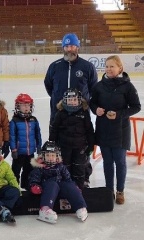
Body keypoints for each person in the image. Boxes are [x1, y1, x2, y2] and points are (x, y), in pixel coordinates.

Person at [44, 32, 98, 186]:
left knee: (82, 148)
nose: (69, 49)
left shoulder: (87, 67)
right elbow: (49, 86)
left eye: (72, 45)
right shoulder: (54, 66)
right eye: (66, 46)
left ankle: (84, 177)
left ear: (77, 47)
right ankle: (61, 176)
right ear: (63, 48)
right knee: (59, 148)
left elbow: (93, 89)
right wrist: (59, 102)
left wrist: (82, 105)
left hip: (81, 117)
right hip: (58, 115)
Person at [89, 55, 141, 205]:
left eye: (112, 66)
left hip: (121, 130)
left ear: (120, 68)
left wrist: (119, 114)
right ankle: (108, 190)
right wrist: (96, 110)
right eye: (106, 66)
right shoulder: (99, 86)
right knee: (107, 162)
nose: (109, 69)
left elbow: (136, 107)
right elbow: (93, 103)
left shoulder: (127, 86)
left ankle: (120, 191)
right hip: (104, 129)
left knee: (120, 162)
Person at [29, 141, 88, 224]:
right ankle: (45, 210)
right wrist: (34, 186)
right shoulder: (40, 168)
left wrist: (74, 187)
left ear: (57, 156)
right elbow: (34, 178)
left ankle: (80, 207)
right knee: (52, 184)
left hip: (59, 188)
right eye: (48, 155)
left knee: (70, 185)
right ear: (43, 156)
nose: (50, 157)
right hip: (48, 190)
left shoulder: (61, 166)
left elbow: (68, 178)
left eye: (52, 155)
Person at [49, 88, 95, 190]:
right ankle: (66, 186)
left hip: (80, 146)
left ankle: (79, 187)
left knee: (79, 167)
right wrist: (52, 143)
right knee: (65, 166)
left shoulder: (84, 113)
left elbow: (89, 130)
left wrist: (91, 145)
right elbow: (54, 129)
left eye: (74, 99)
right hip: (64, 146)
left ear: (79, 100)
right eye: (70, 100)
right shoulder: (61, 113)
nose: (72, 102)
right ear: (65, 100)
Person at [9, 93, 42, 190]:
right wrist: (14, 149)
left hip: (30, 152)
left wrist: (39, 147)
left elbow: (38, 134)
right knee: (16, 170)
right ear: (18, 106)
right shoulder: (14, 121)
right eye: (23, 105)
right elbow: (12, 136)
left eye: (28, 105)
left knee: (28, 170)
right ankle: (14, 187)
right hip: (19, 152)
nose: (26, 107)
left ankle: (26, 185)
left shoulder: (34, 120)